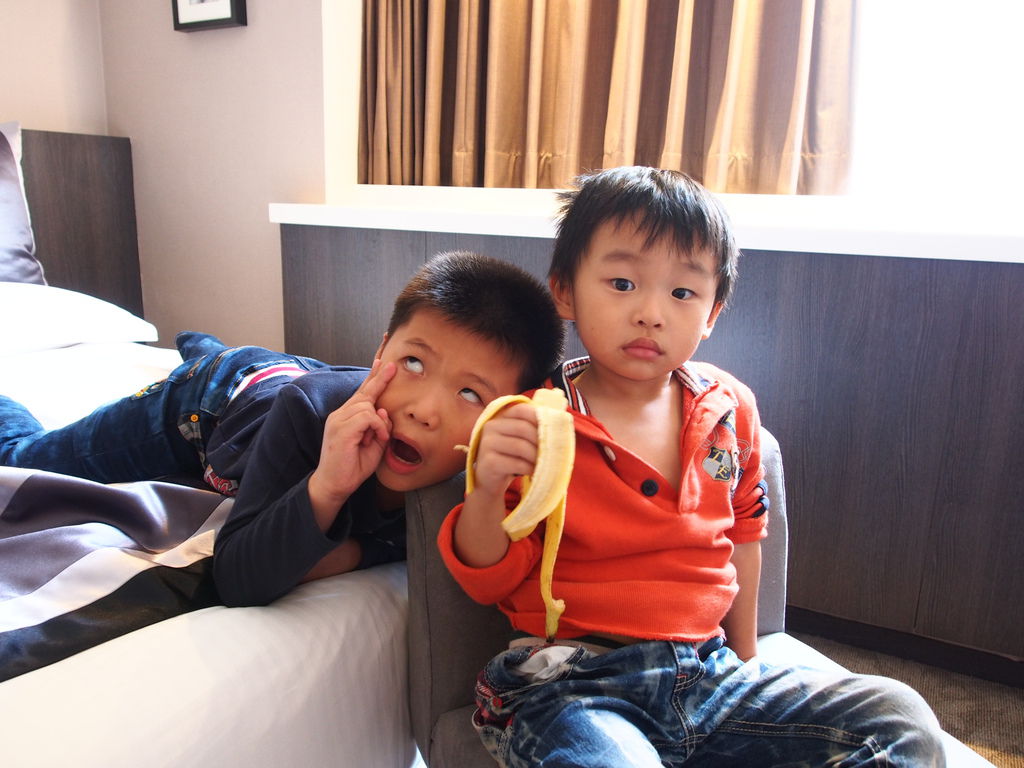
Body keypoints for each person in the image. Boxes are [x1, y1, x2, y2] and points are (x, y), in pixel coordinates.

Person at [437, 168, 945, 767]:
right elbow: (487, 580)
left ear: (712, 313)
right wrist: (487, 487)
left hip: (710, 675)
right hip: (572, 685)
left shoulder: (729, 408)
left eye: (682, 293)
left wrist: (749, 665)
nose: (651, 313)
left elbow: (745, 535)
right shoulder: (535, 421)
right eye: (622, 283)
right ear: (566, 292)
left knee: (898, 716)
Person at [0, 251, 565, 607]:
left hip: (285, 382)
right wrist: (327, 488)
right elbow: (238, 576)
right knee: (25, 458)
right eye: (412, 362)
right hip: (208, 404)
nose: (424, 410)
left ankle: (202, 342)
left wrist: (358, 548)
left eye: (470, 394)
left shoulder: (480, 473)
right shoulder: (307, 416)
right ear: (380, 354)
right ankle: (203, 355)